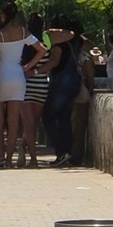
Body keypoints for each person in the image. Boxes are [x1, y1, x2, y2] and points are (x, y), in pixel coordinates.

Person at [0, 2, 36, 167]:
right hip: (18, 75)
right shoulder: (23, 32)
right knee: (14, 121)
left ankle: (1, 155)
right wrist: (28, 66)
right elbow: (43, 49)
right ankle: (10, 159)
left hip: (2, 76)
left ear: (2, 15)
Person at [41, 18, 86, 167]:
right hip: (74, 81)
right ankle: (68, 153)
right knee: (64, 118)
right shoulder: (76, 43)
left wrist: (35, 71)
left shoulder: (59, 44)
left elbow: (54, 62)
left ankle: (61, 152)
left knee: (47, 116)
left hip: (61, 83)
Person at [21, 13, 51, 167]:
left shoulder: (24, 42)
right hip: (41, 84)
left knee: (28, 124)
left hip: (26, 84)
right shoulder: (46, 42)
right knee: (34, 124)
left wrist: (28, 68)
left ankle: (31, 157)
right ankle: (25, 151)